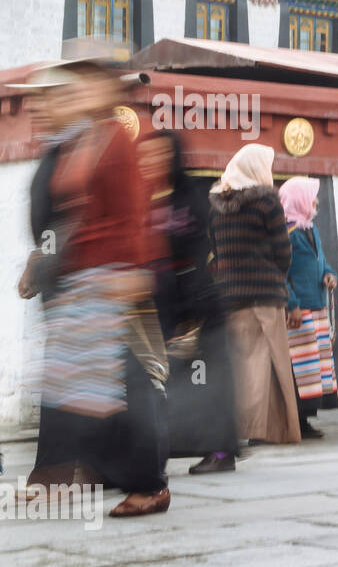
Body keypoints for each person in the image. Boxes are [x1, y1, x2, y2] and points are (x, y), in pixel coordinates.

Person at [18, 61, 171, 516]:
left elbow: (133, 212)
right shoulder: (78, 143)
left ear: (104, 92)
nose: (67, 99)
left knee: (121, 382)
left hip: (109, 277)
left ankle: (151, 484)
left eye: (77, 89)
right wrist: (45, 264)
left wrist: (134, 268)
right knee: (73, 380)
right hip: (78, 281)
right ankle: (63, 470)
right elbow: (65, 218)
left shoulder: (116, 141)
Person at [138, 130, 241, 473]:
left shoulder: (192, 196)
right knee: (164, 380)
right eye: (145, 155)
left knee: (210, 378)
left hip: (199, 303)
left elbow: (197, 252)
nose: (150, 161)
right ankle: (156, 451)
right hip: (157, 305)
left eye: (159, 154)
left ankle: (223, 453)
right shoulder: (141, 200)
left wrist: (191, 316)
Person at [209, 144, 301, 445]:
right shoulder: (267, 203)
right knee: (269, 363)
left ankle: (246, 428)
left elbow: (216, 252)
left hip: (231, 297)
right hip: (265, 295)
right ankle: (267, 430)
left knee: (242, 365)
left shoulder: (218, 208)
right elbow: (283, 251)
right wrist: (278, 279)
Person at [280, 176, 338, 438]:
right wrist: (290, 302)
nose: (316, 201)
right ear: (299, 200)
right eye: (311, 196)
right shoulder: (287, 234)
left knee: (312, 370)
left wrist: (328, 273)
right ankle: (296, 422)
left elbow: (321, 260)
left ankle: (305, 421)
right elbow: (280, 272)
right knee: (299, 369)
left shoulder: (311, 229)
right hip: (298, 311)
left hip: (317, 308)